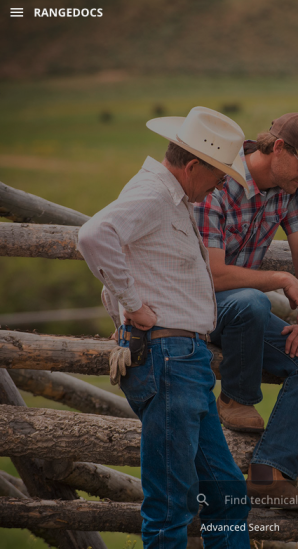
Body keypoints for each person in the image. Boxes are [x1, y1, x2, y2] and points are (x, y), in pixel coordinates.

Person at [77, 107, 250, 549]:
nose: (220, 185)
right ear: (192, 166)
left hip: (181, 363)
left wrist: (124, 301)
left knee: (226, 492)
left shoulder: (166, 196)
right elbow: (95, 236)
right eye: (217, 176)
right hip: (169, 359)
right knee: (171, 504)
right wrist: (132, 305)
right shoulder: (155, 194)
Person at [194, 112, 298, 507]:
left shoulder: (290, 188)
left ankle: (268, 475)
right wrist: (279, 280)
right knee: (252, 301)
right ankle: (236, 399)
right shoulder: (218, 184)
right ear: (277, 148)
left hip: (244, 312)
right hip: (196, 307)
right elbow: (215, 277)